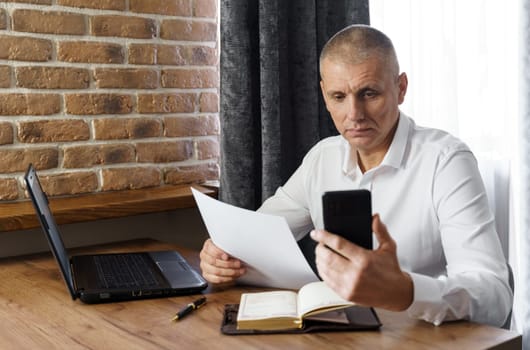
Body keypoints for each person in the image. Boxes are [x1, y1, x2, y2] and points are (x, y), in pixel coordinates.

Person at [199, 24, 512, 327]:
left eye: (369, 93)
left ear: (401, 88)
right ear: (324, 95)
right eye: (338, 97)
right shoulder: (322, 157)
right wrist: (222, 257)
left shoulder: (446, 160)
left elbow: (495, 296)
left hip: (422, 338)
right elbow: (256, 239)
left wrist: (407, 291)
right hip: (336, 334)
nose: (354, 115)